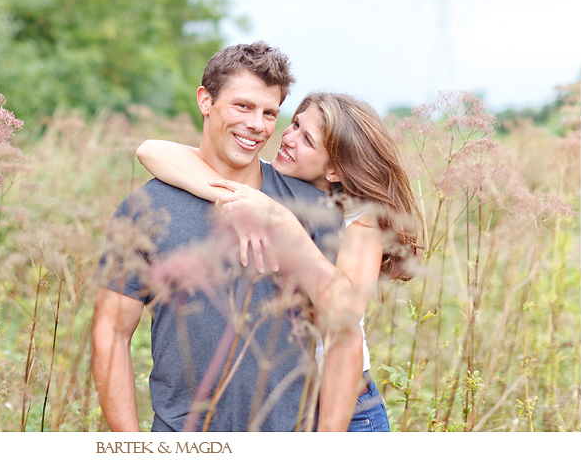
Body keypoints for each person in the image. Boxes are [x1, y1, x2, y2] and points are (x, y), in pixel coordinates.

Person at [91, 42, 341, 432]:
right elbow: (111, 331)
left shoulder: (310, 208)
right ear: (205, 101)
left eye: (269, 113)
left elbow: (343, 336)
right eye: (242, 106)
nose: (257, 125)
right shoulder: (147, 207)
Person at [136, 92, 423, 432]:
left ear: (333, 168)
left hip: (343, 412)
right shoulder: (268, 182)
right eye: (295, 124)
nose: (287, 139)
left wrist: (286, 225)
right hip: (280, 408)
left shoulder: (360, 218)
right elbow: (150, 151)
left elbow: (344, 312)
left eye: (307, 140)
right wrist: (231, 195)